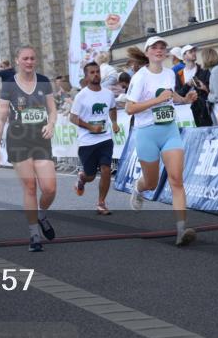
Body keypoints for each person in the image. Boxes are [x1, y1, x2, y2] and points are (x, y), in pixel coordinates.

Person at [125, 36, 199, 246]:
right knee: (152, 183)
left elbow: (170, 95)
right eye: (154, 47)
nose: (159, 50)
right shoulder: (140, 77)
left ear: (166, 53)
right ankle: (138, 188)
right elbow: (129, 108)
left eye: (162, 47)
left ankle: (181, 229)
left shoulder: (169, 73)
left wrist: (184, 100)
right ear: (147, 53)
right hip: (146, 132)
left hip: (169, 131)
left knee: (177, 180)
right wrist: (157, 100)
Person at [0, 46, 59, 252]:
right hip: (19, 140)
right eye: (25, 58)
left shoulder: (44, 81)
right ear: (17, 60)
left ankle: (41, 215)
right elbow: (2, 117)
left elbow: (53, 110)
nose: (29, 62)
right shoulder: (10, 85)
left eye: (32, 58)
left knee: (49, 189)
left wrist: (51, 124)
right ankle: (34, 235)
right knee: (30, 187)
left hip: (41, 139)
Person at [71, 61, 119, 217]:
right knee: (90, 176)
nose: (96, 74)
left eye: (97, 71)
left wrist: (114, 122)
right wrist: (90, 127)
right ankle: (82, 177)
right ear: (86, 77)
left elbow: (112, 108)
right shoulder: (81, 96)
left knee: (106, 170)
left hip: (105, 139)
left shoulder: (108, 93)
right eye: (91, 72)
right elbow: (72, 118)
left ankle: (101, 203)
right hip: (87, 142)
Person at [175, 45, 213, 127]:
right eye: (190, 52)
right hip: (186, 111)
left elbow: (212, 90)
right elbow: (177, 94)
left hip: (203, 110)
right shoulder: (179, 74)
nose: (194, 53)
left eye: (194, 51)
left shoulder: (203, 70)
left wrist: (204, 88)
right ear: (184, 56)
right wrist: (188, 85)